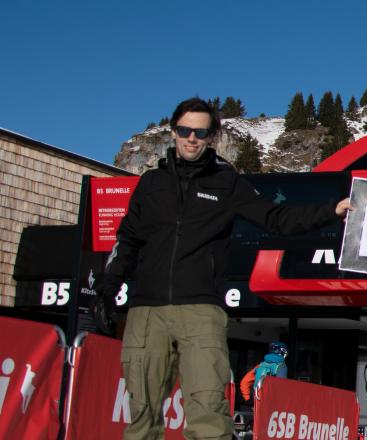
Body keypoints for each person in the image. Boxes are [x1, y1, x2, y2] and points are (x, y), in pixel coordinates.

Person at [93, 97, 352, 439]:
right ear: (174, 132)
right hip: (147, 312)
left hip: (200, 311)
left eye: (200, 133)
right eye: (185, 130)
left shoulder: (226, 183)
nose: (191, 138)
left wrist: (331, 211)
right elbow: (127, 240)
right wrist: (107, 290)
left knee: (209, 415)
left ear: (211, 137)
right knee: (141, 415)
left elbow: (276, 218)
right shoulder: (151, 185)